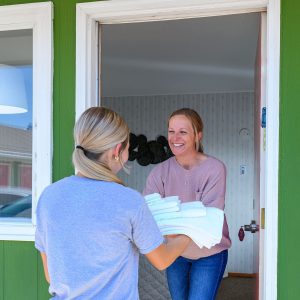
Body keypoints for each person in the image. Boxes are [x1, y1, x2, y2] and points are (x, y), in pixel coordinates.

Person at [35, 107, 191, 300]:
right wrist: (188, 234)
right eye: (128, 146)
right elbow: (162, 259)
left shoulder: (48, 196)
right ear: (118, 150)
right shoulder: (129, 200)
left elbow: (51, 275)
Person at [144, 108, 231, 300]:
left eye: (183, 132)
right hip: (175, 254)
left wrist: (170, 221)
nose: (175, 137)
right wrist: (189, 219)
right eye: (171, 131)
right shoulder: (159, 173)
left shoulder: (215, 168)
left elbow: (210, 218)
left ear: (197, 135)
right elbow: (150, 215)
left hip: (210, 254)